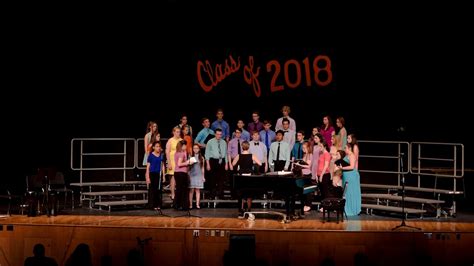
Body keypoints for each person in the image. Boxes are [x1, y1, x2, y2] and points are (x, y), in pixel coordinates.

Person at [232, 141, 262, 213]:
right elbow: (260, 163)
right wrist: (253, 162)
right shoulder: (252, 155)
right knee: (249, 193)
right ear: (248, 147)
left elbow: (233, 164)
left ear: (242, 147)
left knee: (241, 193)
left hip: (241, 176)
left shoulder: (239, 155)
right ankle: (249, 209)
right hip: (249, 176)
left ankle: (241, 210)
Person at [146, 141, 165, 210]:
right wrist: (147, 177)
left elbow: (162, 166)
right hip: (152, 174)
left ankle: (158, 205)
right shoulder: (150, 156)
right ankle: (152, 205)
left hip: (159, 174)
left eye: (159, 146)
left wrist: (163, 176)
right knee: (152, 190)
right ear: (153, 147)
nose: (158, 148)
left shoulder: (161, 155)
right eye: (157, 146)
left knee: (159, 190)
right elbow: (148, 167)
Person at [166, 127, 183, 201]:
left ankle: (179, 194)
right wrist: (169, 162)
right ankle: (173, 194)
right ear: (173, 132)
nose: (178, 133)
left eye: (179, 132)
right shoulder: (170, 140)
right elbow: (167, 152)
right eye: (176, 132)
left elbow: (184, 151)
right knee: (173, 178)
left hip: (180, 160)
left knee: (180, 177)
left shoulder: (181, 140)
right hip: (172, 160)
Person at [188, 144, 205, 209]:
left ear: (199, 149)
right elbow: (188, 167)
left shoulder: (201, 158)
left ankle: (198, 204)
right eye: (194, 148)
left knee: (197, 190)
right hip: (192, 174)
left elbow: (202, 168)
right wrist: (188, 175)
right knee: (191, 190)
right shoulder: (190, 156)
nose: (195, 149)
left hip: (199, 174)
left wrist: (203, 176)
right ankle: (190, 204)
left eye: (197, 148)